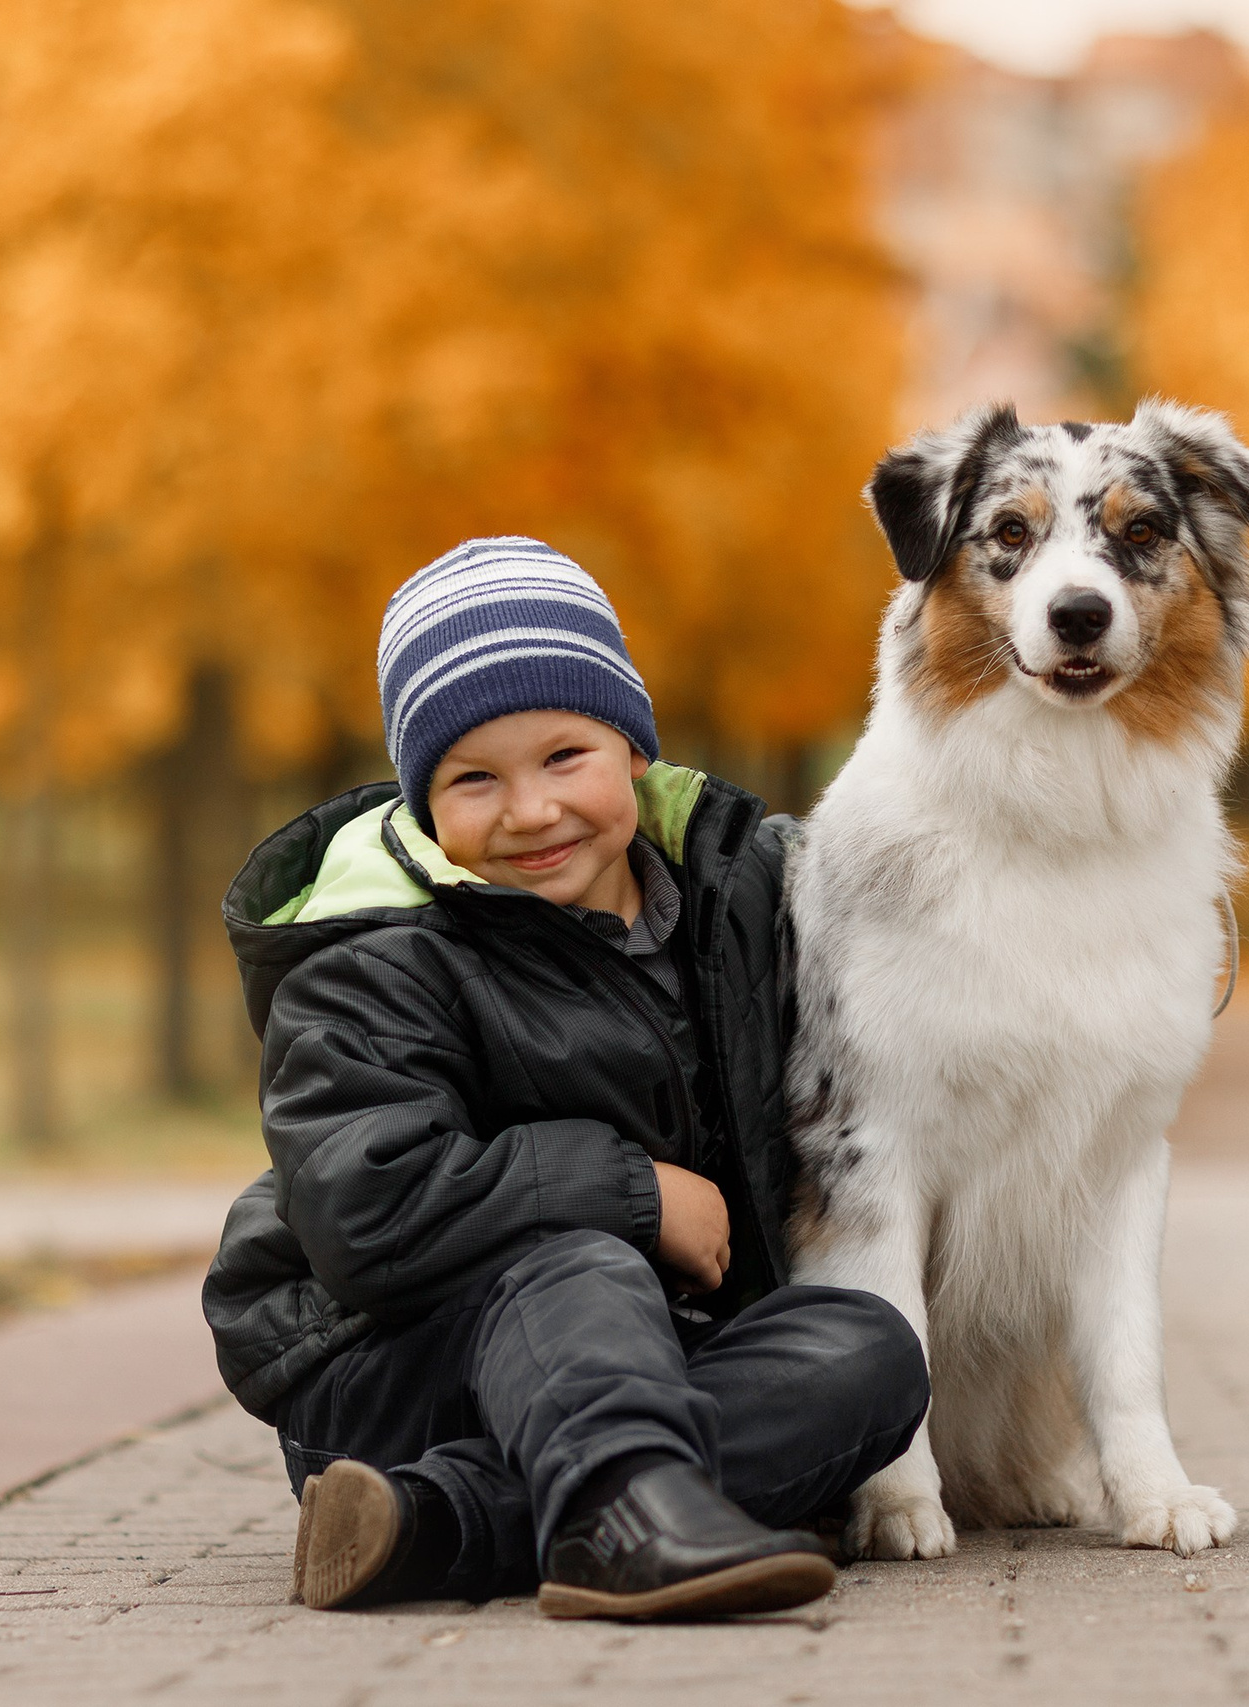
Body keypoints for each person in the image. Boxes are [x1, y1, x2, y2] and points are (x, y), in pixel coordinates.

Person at [201, 538, 928, 1621]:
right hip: (387, 1363)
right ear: (423, 799)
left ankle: (440, 1525)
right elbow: (366, 1205)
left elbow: (916, 940)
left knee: (867, 1350)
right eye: (474, 778)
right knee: (574, 1259)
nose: (531, 810)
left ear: (633, 748)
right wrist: (637, 1195)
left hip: (649, 1358)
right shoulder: (370, 953)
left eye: (564, 757)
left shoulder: (741, 895)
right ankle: (633, 1511)